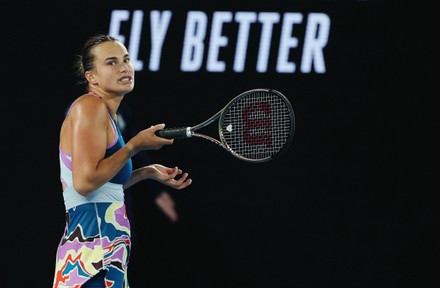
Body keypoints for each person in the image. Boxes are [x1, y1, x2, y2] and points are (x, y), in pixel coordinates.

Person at [52, 34, 192, 288]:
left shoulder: (106, 115)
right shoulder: (89, 107)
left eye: (126, 59)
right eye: (111, 62)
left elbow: (99, 190)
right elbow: (84, 184)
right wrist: (135, 145)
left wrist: (146, 172)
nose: (124, 67)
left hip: (108, 259)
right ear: (91, 76)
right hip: (91, 261)